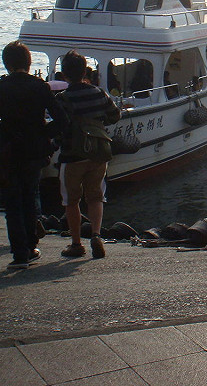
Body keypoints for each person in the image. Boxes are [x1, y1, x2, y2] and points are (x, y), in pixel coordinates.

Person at [0, 41, 68, 270]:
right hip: (34, 150)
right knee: (30, 196)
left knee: (13, 201)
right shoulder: (39, 86)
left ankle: (19, 251)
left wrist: (6, 135)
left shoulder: (1, 87)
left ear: (6, 63)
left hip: (12, 150)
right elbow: (61, 119)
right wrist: (44, 134)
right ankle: (31, 246)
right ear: (29, 62)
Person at [57, 50, 121, 259]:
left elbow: (59, 126)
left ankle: (76, 244)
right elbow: (115, 115)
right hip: (97, 152)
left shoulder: (63, 99)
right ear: (86, 71)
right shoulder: (98, 93)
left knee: (72, 201)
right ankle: (96, 235)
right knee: (95, 196)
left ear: (64, 75)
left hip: (72, 155)